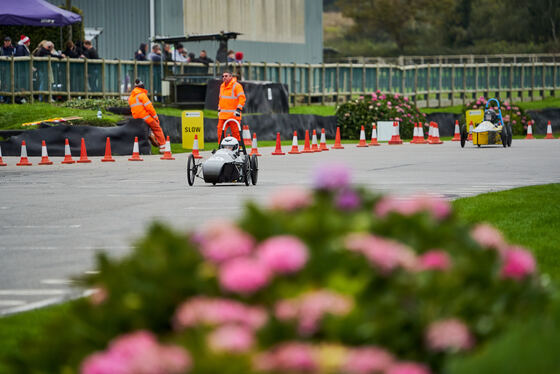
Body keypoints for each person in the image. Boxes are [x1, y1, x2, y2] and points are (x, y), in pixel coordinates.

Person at [128, 79, 166, 153]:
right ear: (142, 86)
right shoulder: (142, 95)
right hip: (146, 118)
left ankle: (150, 134)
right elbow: (150, 108)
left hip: (137, 119)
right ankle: (163, 147)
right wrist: (156, 118)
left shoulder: (131, 98)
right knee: (157, 128)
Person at [217, 70, 246, 143]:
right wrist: (219, 108)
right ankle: (221, 147)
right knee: (220, 132)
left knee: (236, 134)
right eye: (223, 76)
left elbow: (242, 98)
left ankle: (237, 148)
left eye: (226, 76)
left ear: (231, 77)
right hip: (223, 115)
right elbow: (221, 98)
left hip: (233, 115)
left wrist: (238, 109)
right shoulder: (222, 86)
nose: (224, 77)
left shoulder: (237, 86)